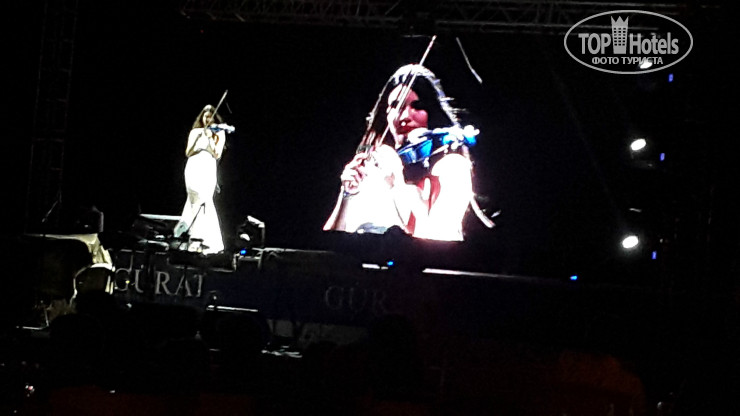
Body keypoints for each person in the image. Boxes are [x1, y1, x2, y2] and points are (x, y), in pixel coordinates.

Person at [324, 64, 478, 241]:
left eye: (417, 106)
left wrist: (397, 186)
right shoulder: (376, 164)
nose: (405, 116)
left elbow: (436, 248)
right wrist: (346, 195)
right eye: (396, 106)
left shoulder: (452, 168)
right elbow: (331, 243)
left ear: (431, 112)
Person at [174, 104, 228, 254]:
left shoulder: (219, 132)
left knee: (204, 200)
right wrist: (199, 140)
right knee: (193, 200)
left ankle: (207, 240)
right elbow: (188, 152)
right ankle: (190, 238)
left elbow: (217, 154)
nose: (207, 119)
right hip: (193, 165)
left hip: (208, 166)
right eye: (205, 116)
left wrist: (210, 138)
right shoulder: (195, 132)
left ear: (214, 119)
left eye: (210, 117)